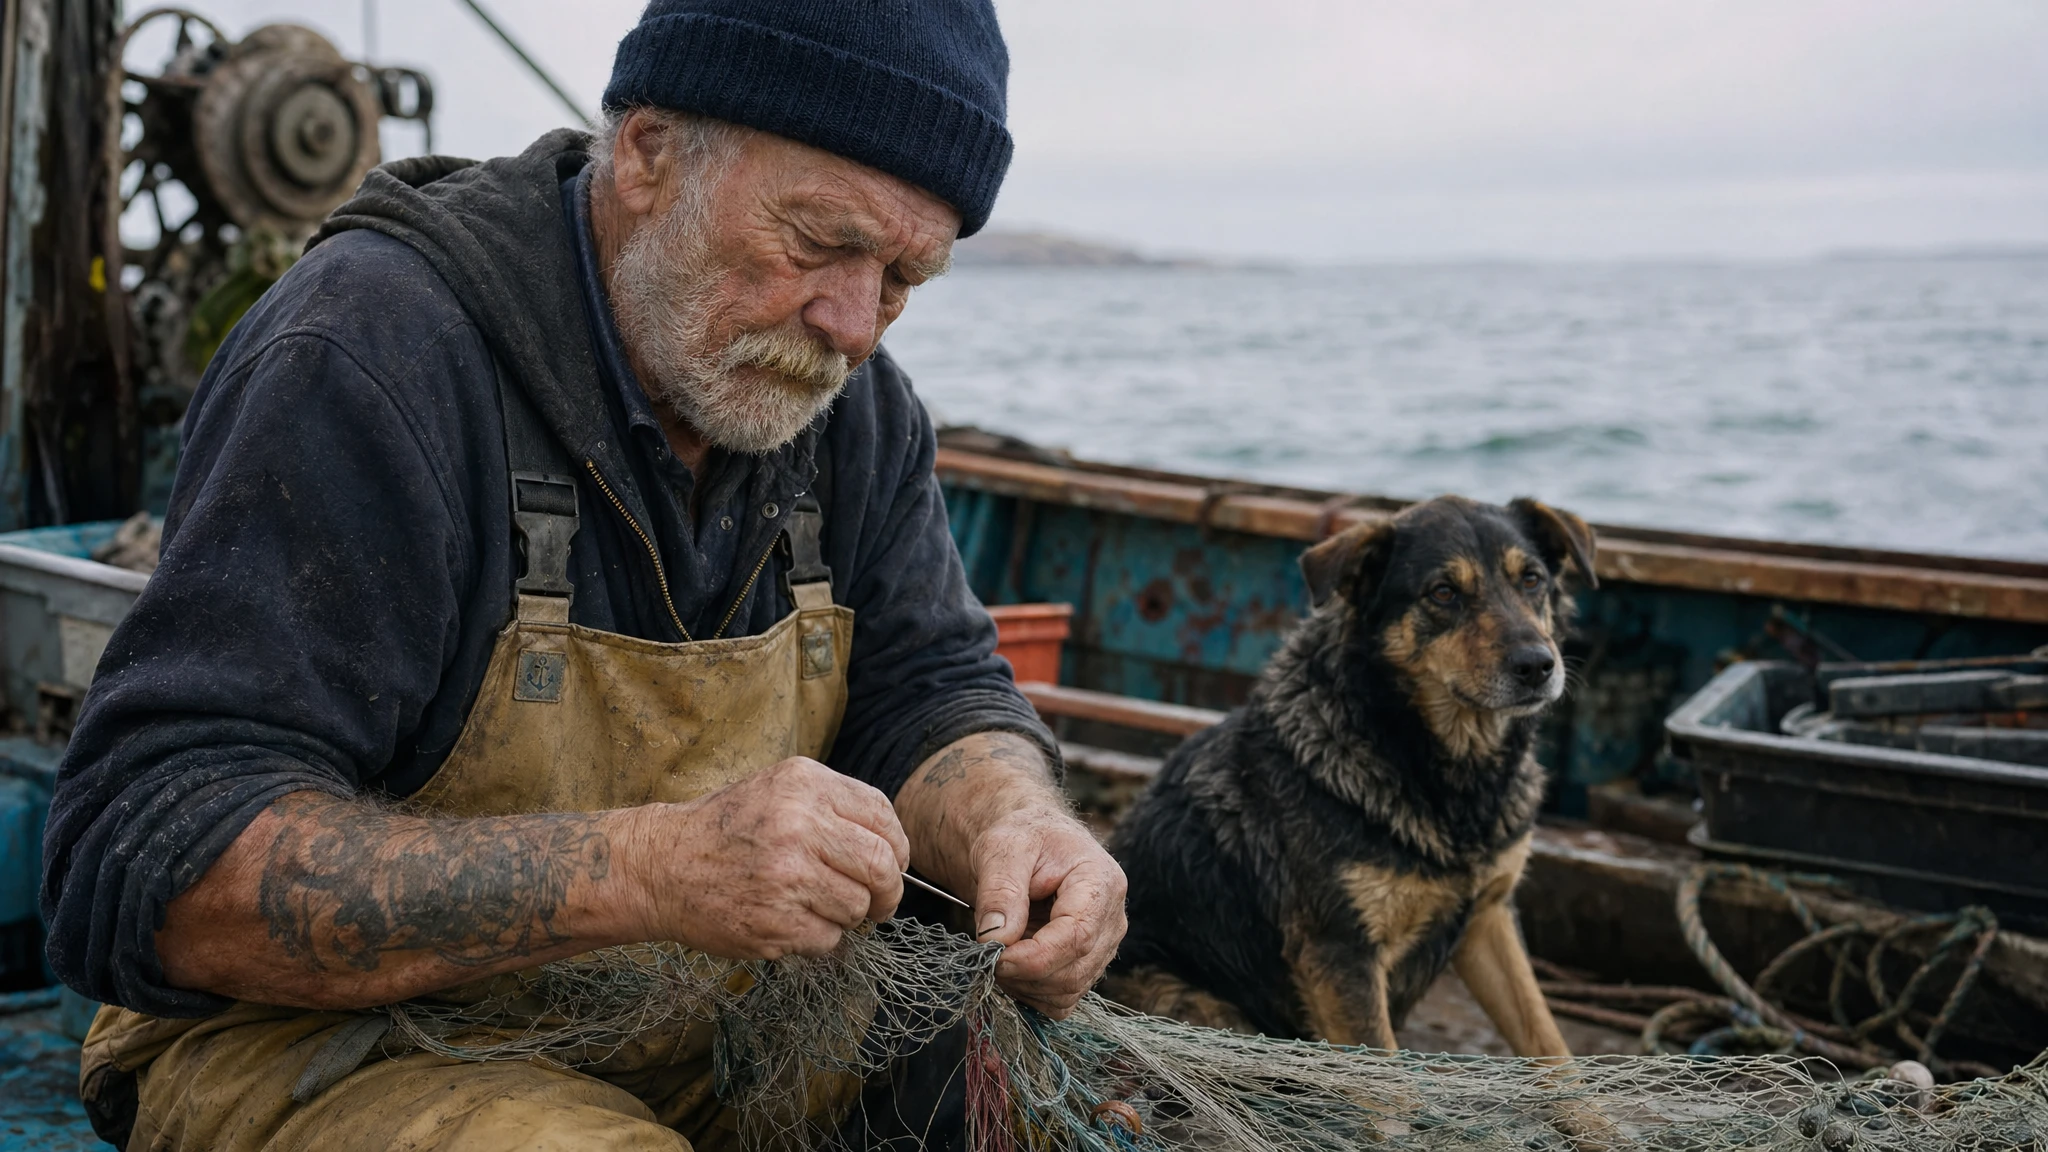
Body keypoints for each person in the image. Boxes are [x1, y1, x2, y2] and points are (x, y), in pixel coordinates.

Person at [39, 2, 1126, 1148]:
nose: (852, 325)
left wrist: (1020, 818)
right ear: (650, 153)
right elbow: (153, 867)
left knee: (1046, 1104)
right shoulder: (370, 354)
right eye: (814, 243)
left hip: (698, 1029)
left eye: (904, 276)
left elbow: (929, 690)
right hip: (336, 1046)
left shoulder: (849, 408)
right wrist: (651, 868)